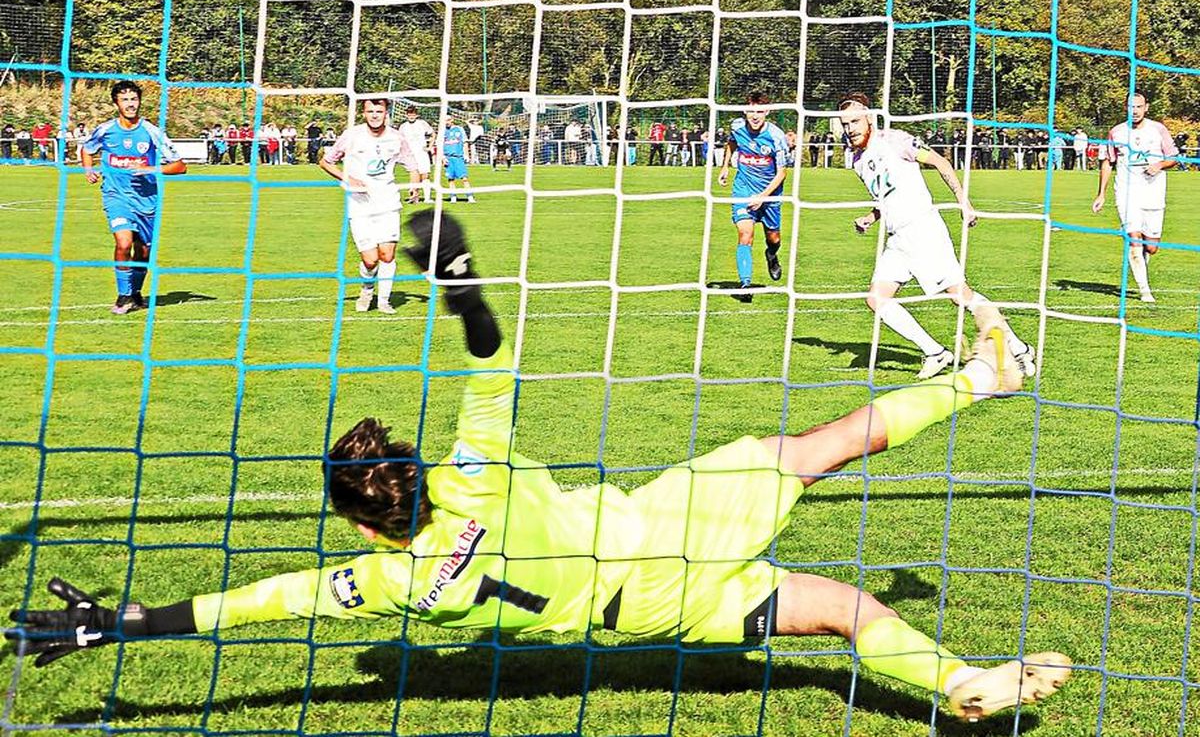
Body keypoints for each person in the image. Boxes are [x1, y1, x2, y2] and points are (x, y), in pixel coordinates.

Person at [6, 210, 1071, 724]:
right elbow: (496, 361)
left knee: (833, 613)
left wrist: (124, 624)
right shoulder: (473, 471)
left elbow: (255, 605)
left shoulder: (386, 581)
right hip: (668, 520)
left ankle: (958, 683)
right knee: (818, 448)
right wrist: (461, 282)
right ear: (413, 473)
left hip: (648, 614)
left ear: (365, 525)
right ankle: (987, 379)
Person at [838, 92, 1035, 380]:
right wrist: (871, 217)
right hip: (897, 240)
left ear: (869, 118)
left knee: (960, 297)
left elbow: (941, 162)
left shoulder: (895, 141)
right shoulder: (856, 159)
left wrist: (963, 201)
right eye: (845, 124)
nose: (850, 128)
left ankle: (1018, 348)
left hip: (923, 230)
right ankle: (935, 352)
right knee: (876, 299)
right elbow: (886, 196)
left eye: (855, 121)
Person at [81, 80, 187, 315]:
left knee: (143, 251)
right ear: (116, 103)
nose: (130, 104)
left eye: (134, 99)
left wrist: (151, 169)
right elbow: (87, 149)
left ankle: (136, 294)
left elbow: (180, 166)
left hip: (146, 200)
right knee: (123, 243)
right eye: (125, 100)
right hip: (116, 196)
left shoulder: (151, 131)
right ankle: (123, 296)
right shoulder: (106, 130)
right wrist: (88, 170)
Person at [318, 98, 417, 315]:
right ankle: (367, 288)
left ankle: (384, 301)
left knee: (387, 255)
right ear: (363, 113)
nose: (374, 115)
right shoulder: (352, 136)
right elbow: (326, 162)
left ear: (386, 113)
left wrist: (415, 184)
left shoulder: (396, 137)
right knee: (370, 260)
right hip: (360, 204)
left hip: (388, 202)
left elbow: (412, 163)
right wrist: (348, 178)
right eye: (370, 111)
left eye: (379, 111)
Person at [1090, 90, 1178, 304]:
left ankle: (1142, 267)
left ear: (1146, 108)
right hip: (1127, 192)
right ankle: (1144, 290)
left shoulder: (1158, 129)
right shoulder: (1116, 132)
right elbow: (1108, 162)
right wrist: (1101, 193)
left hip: (1154, 191)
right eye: (1131, 107)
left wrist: (1159, 164)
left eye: (1139, 106)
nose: (1135, 111)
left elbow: (1174, 157)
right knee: (1133, 239)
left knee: (1152, 247)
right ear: (1126, 108)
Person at [718, 92, 788, 303]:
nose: (755, 116)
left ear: (767, 112)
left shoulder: (776, 136)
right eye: (751, 110)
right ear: (744, 110)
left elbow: (782, 172)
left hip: (769, 194)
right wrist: (725, 166)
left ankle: (772, 255)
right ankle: (745, 284)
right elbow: (732, 143)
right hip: (743, 189)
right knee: (745, 235)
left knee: (773, 239)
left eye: (759, 111)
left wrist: (763, 197)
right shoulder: (737, 126)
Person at [398, 106, 434, 203]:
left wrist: (429, 147)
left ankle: (427, 198)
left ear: (416, 115)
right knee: (414, 174)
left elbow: (433, 134)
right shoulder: (403, 126)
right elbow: (400, 140)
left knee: (425, 175)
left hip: (421, 153)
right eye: (409, 114)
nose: (411, 116)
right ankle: (414, 197)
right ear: (406, 115)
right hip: (409, 154)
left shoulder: (422, 124)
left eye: (413, 114)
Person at [441, 116, 475, 203]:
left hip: (458, 157)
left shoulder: (459, 129)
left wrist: (466, 155)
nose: (446, 122)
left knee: (464, 178)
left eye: (448, 120)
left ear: (452, 120)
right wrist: (443, 157)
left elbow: (465, 142)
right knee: (450, 179)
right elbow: (440, 145)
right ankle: (453, 196)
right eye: (444, 121)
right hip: (448, 158)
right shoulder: (442, 131)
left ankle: (470, 196)